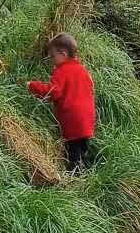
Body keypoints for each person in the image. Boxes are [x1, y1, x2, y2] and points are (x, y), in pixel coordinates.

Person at [27, 32, 97, 173]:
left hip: (72, 120)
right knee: (81, 149)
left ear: (63, 54)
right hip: (87, 119)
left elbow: (53, 91)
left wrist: (32, 86)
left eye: (53, 56)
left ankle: (75, 179)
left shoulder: (62, 71)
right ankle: (85, 171)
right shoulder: (83, 71)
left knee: (72, 153)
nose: (52, 60)